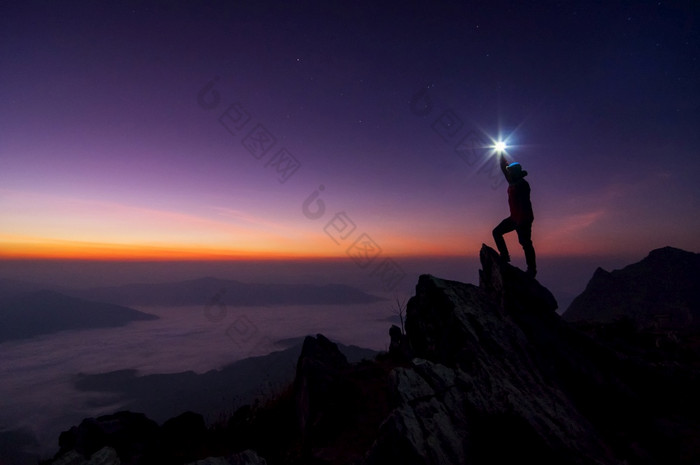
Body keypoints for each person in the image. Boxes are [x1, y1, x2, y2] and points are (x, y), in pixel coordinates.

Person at [492, 152, 537, 277]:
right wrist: (500, 153)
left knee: (525, 242)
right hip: (514, 218)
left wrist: (520, 222)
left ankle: (532, 269)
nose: (509, 173)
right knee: (497, 232)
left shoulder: (522, 184)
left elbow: (525, 204)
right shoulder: (512, 182)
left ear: (516, 173)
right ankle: (505, 256)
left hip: (524, 219)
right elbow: (504, 168)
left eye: (511, 171)